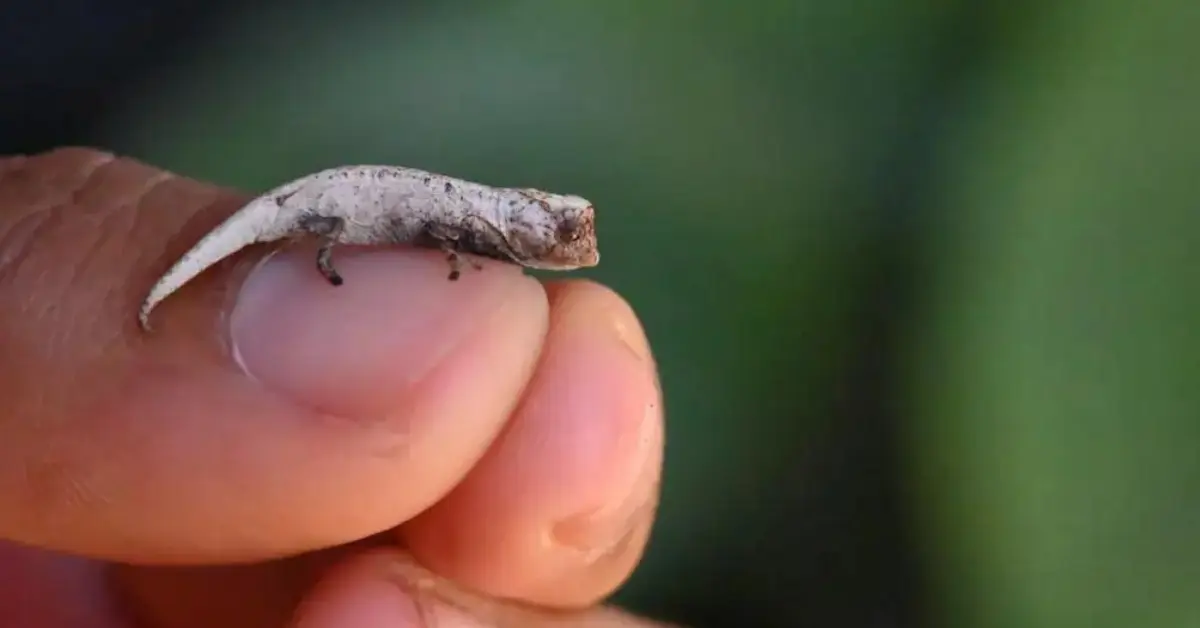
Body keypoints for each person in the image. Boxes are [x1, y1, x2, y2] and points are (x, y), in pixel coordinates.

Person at [0, 148, 671, 627]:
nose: (564, 244)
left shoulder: (494, 225)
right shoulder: (484, 219)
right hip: (336, 203)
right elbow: (438, 229)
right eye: (555, 230)